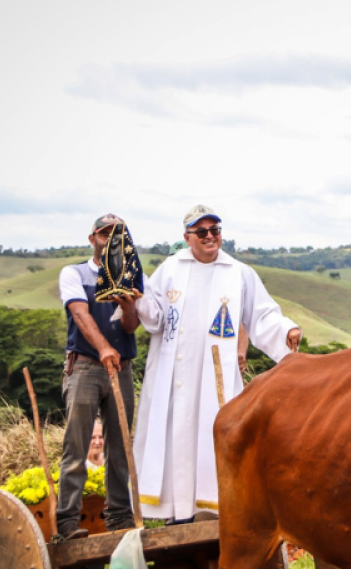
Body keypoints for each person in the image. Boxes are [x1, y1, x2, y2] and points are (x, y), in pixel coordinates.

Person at [134, 204, 301, 523]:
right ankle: (176, 517)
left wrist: (286, 329)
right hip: (175, 379)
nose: (210, 236)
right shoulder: (170, 269)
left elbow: (263, 315)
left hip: (215, 380)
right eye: (202, 232)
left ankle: (214, 514)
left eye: (216, 230)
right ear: (187, 237)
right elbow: (153, 318)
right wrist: (136, 299)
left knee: (214, 437)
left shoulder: (238, 273)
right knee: (177, 439)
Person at [56, 213, 143, 539]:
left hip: (120, 368)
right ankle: (66, 523)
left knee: (120, 446)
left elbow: (130, 326)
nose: (111, 239)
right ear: (92, 238)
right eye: (105, 234)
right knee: (76, 447)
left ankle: (120, 519)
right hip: (84, 367)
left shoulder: (130, 275)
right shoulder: (74, 273)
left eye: (118, 234)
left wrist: (130, 307)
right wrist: (104, 347)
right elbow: (80, 313)